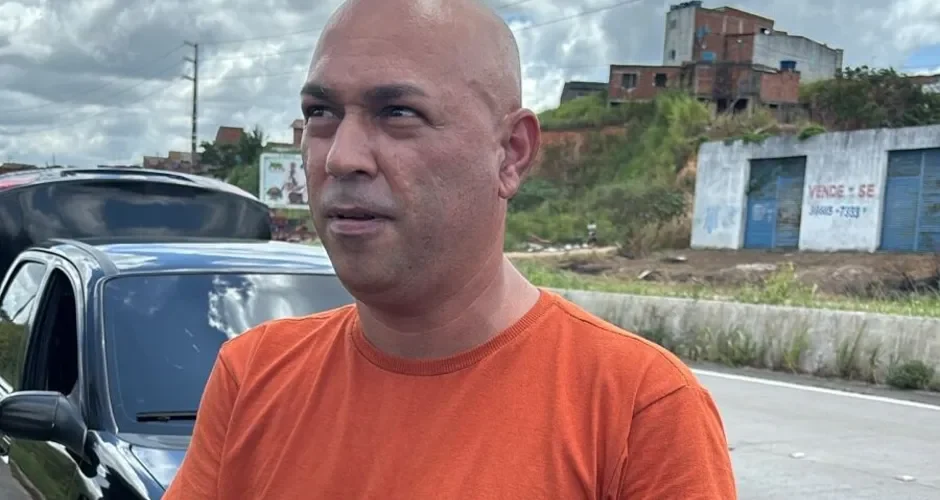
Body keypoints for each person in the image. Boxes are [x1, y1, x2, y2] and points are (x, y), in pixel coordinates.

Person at [163, 0, 736, 498]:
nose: (341, 156)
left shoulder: (639, 410)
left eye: (398, 113)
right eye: (321, 113)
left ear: (510, 153)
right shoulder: (253, 376)